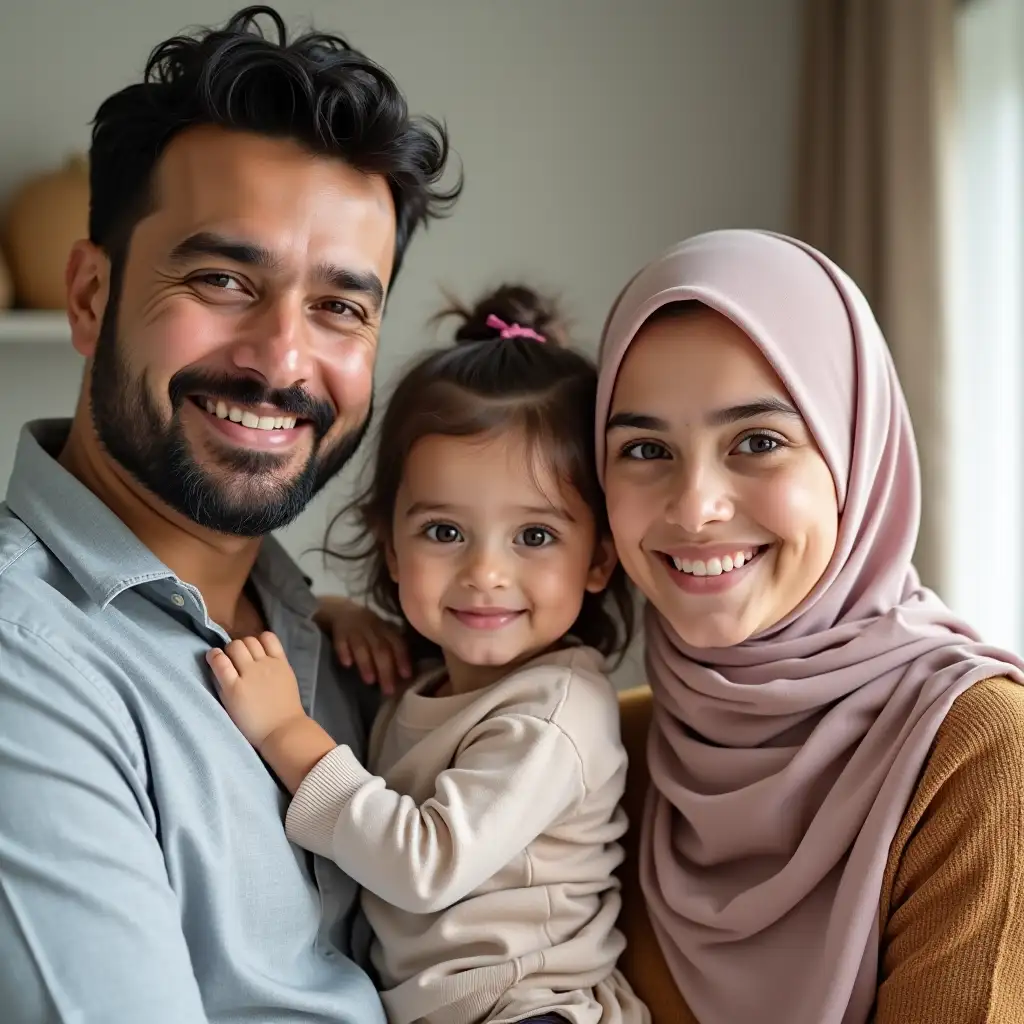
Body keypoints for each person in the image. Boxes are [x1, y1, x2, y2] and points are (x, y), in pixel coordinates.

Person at [0, 6, 457, 1022]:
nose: (281, 359)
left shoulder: (345, 646)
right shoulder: (24, 660)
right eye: (222, 278)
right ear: (89, 297)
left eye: (340, 307)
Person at [595, 229, 1024, 1024]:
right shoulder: (607, 749)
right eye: (645, 448)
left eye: (758, 442)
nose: (695, 507)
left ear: (857, 458)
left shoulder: (979, 753)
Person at [211, 285, 649, 1024]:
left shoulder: (555, 715)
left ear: (599, 560)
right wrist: (332, 613)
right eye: (444, 533)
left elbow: (426, 863)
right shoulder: (436, 680)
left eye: (535, 536)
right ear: (391, 546)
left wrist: (286, 735)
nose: (485, 573)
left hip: (531, 1010)